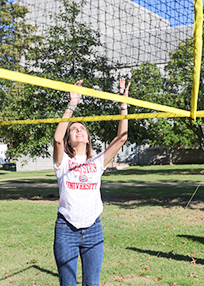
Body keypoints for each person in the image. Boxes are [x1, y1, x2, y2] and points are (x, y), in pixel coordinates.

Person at [52, 78, 130, 286]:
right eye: (73, 130)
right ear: (69, 140)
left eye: (81, 129)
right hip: (66, 229)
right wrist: (72, 105)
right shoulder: (63, 162)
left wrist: (123, 104)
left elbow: (122, 138)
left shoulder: (97, 162)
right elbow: (57, 139)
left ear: (87, 138)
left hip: (93, 229)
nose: (77, 130)